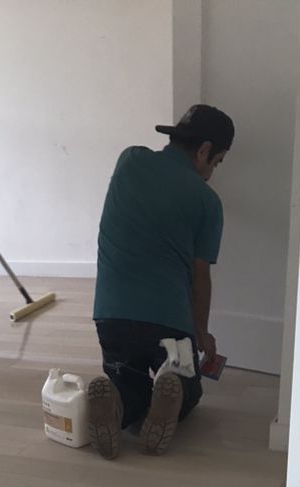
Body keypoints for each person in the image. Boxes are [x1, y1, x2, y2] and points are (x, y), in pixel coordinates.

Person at [88, 104, 235, 458]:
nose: (211, 172)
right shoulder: (208, 202)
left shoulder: (130, 160)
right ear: (204, 151)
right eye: (216, 162)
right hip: (169, 327)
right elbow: (201, 277)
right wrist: (202, 331)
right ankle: (176, 385)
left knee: (128, 382)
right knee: (188, 388)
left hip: (111, 318)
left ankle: (122, 402)